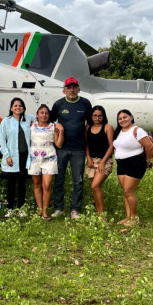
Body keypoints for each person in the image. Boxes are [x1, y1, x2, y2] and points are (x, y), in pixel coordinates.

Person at [49, 76, 92, 219]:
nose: (72, 90)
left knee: (78, 180)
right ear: (64, 90)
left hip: (79, 149)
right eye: (69, 87)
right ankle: (58, 208)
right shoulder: (58, 104)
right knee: (59, 179)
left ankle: (75, 210)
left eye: (74, 87)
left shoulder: (85, 104)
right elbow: (50, 122)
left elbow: (91, 123)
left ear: (79, 89)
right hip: (61, 148)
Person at [112, 109, 153, 226]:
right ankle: (128, 217)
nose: (122, 120)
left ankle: (134, 217)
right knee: (125, 192)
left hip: (135, 162)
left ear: (131, 117)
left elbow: (149, 146)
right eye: (120, 118)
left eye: (125, 117)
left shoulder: (137, 131)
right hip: (121, 164)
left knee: (129, 191)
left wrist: (148, 160)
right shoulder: (119, 132)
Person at [0, 98, 35, 217]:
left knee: (22, 182)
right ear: (11, 108)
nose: (18, 107)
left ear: (23, 108)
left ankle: (21, 207)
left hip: (25, 155)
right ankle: (10, 207)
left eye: (20, 105)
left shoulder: (29, 118)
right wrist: (7, 155)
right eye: (15, 106)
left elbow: (42, 123)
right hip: (12, 156)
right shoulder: (6, 121)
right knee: (11, 182)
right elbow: (2, 140)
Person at [29, 104, 64, 220]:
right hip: (34, 157)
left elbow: (58, 144)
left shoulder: (53, 127)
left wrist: (61, 132)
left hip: (49, 157)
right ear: (37, 115)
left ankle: (45, 210)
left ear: (49, 115)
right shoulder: (31, 125)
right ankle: (39, 209)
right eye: (42, 113)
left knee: (47, 185)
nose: (44, 115)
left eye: (46, 113)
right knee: (37, 184)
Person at [85, 105, 115, 216]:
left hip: (105, 161)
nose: (97, 118)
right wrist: (88, 158)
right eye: (95, 115)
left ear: (103, 116)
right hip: (91, 161)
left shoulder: (107, 127)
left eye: (100, 116)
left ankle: (102, 214)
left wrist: (102, 162)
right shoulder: (87, 128)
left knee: (95, 185)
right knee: (95, 188)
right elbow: (86, 144)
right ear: (91, 116)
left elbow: (111, 146)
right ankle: (99, 212)